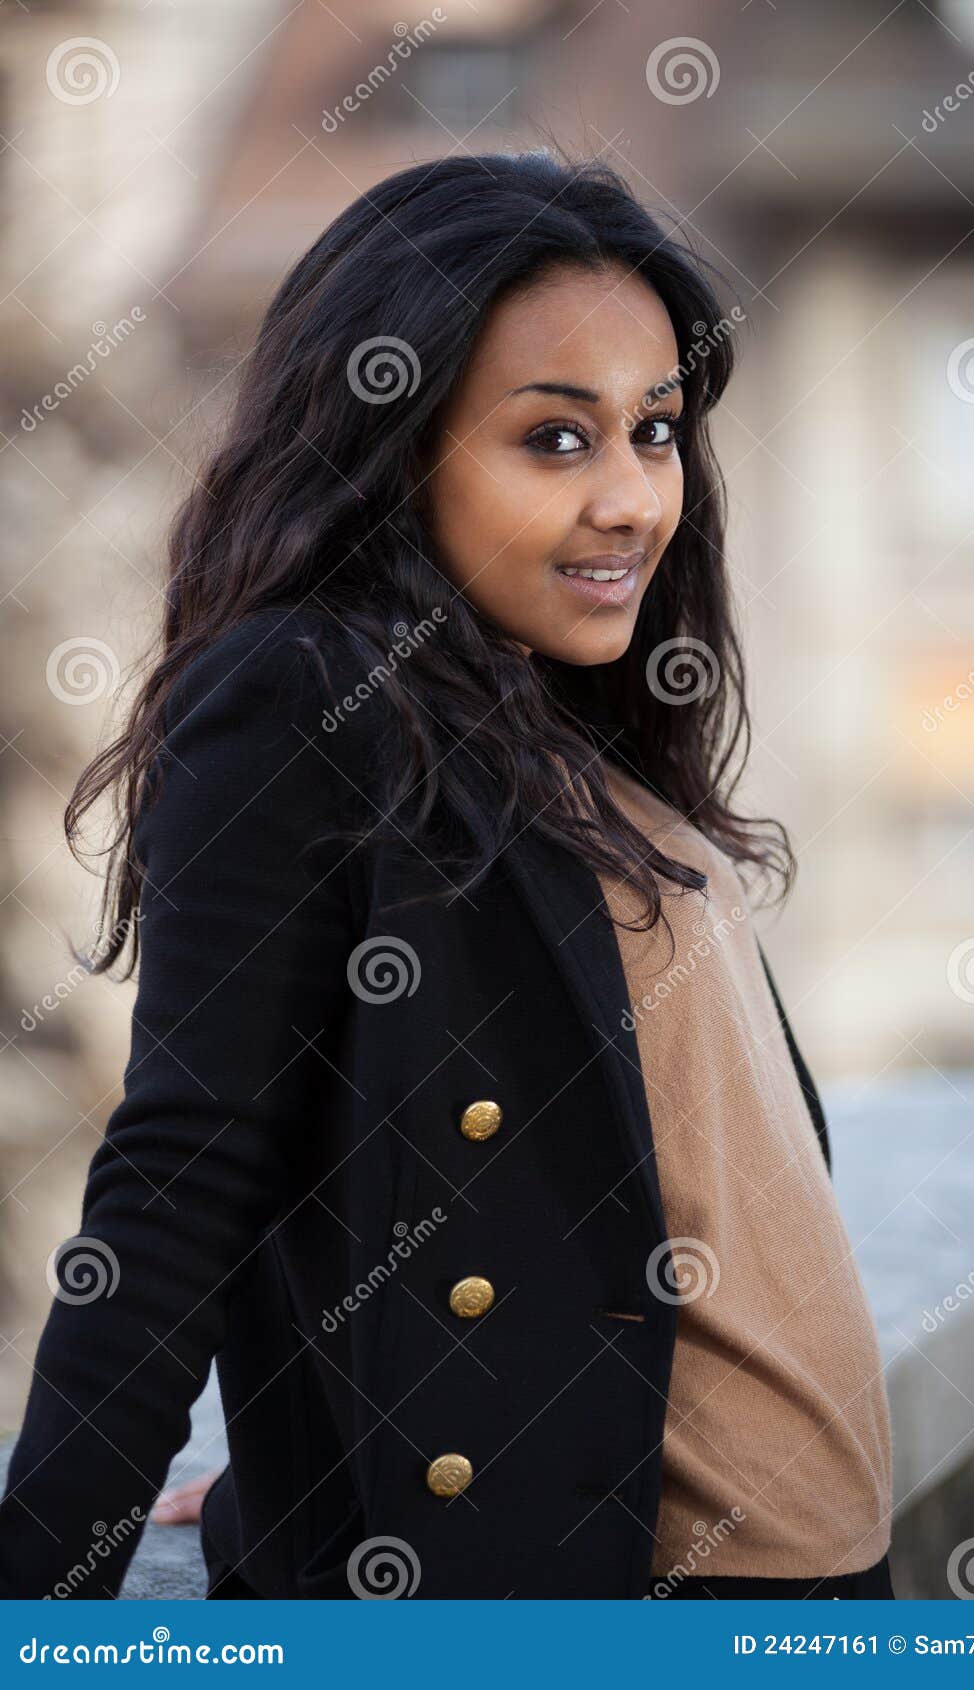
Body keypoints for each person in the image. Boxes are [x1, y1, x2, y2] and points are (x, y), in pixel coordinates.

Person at [0, 147, 894, 1601]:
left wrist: (338, 1428)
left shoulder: (558, 711)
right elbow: (186, 1173)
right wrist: (45, 1581)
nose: (630, 500)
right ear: (392, 443)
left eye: (654, 432)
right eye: (554, 440)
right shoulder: (303, 697)